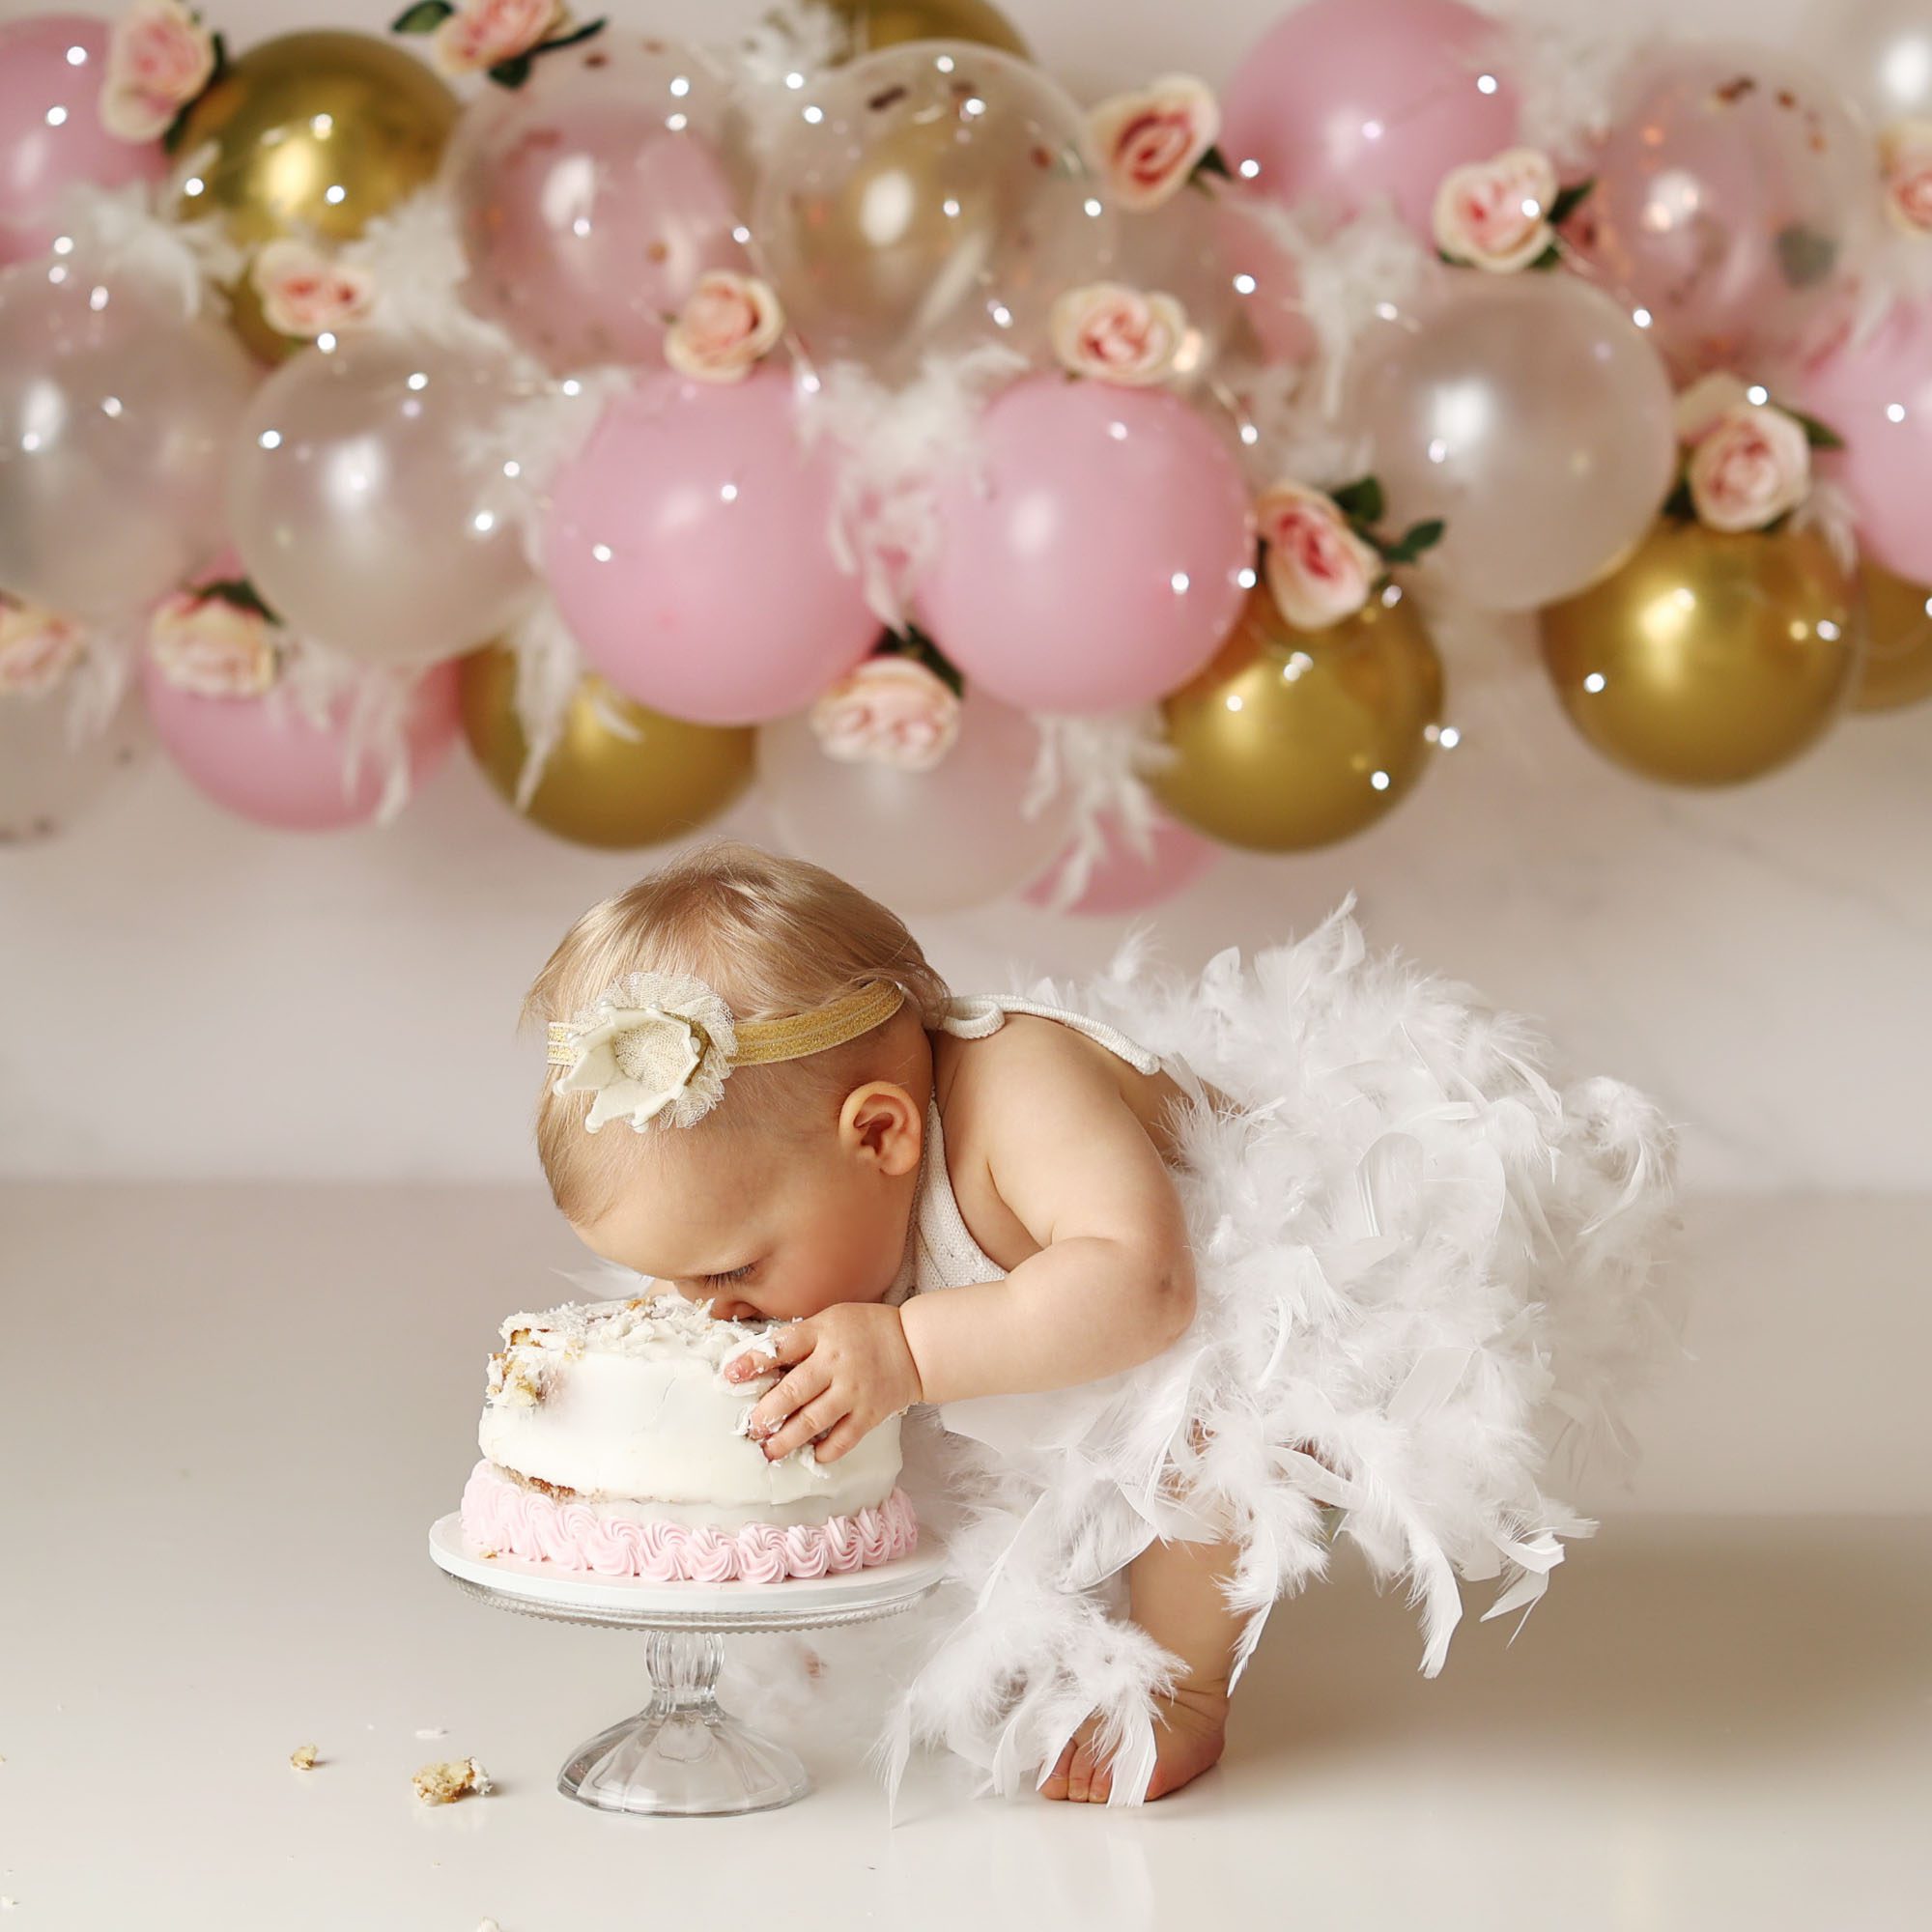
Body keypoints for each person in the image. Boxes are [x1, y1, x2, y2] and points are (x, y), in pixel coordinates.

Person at [525, 838, 1682, 1805]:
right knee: (913, 1405)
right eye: (673, 1281)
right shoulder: (837, 1189)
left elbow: (1144, 1295)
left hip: (1248, 1283)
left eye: (729, 1268)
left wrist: (913, 1347)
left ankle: (1180, 1685)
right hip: (1062, 1317)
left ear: (881, 1135)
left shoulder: (1019, 1094)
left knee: (1205, 1431)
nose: (711, 1309)